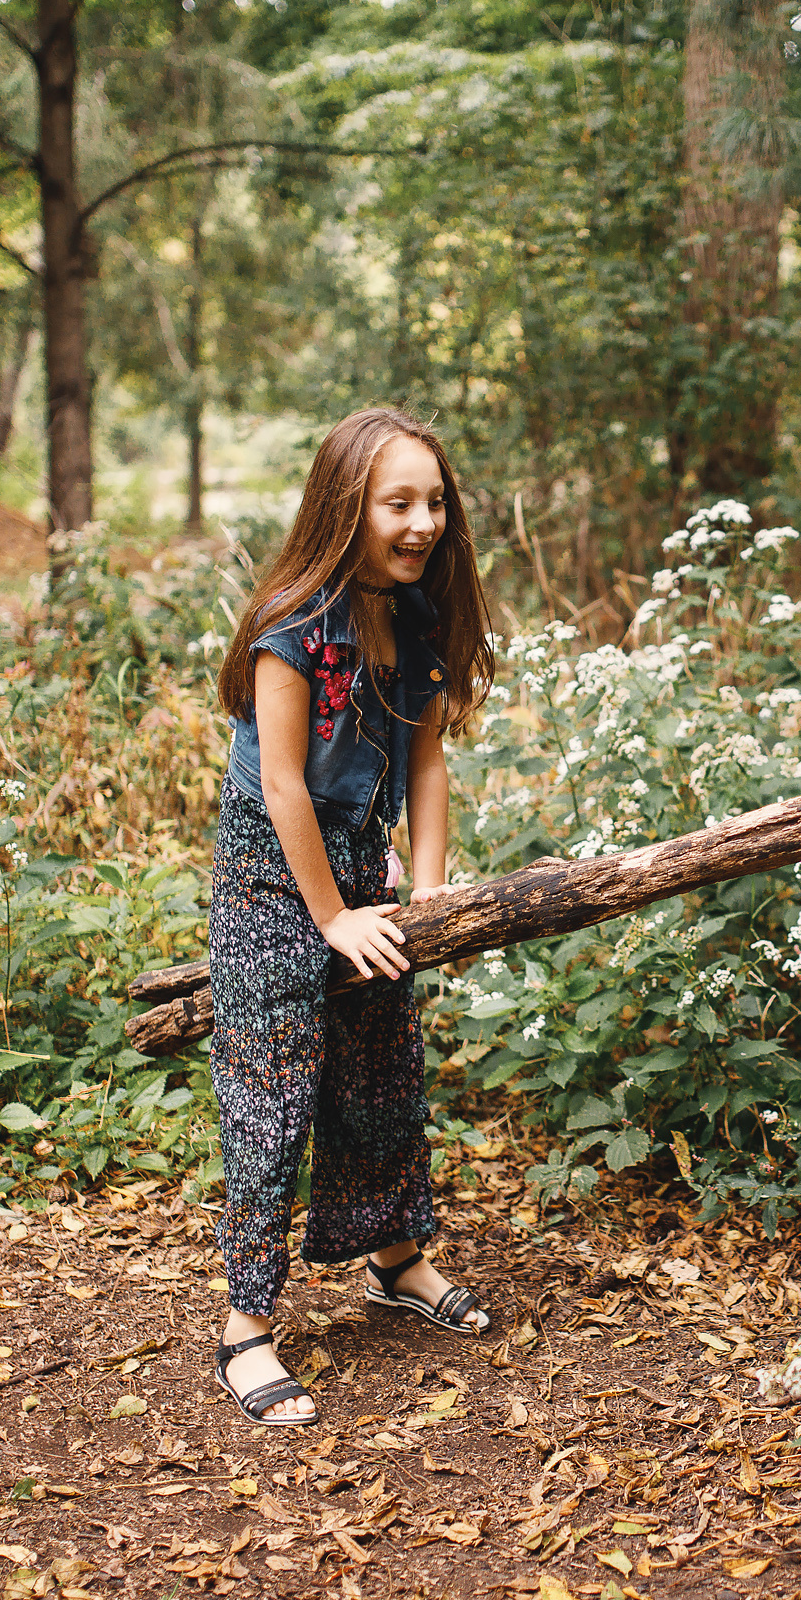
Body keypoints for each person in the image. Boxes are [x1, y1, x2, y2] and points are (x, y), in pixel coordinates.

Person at [206, 406, 498, 1427]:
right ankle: (246, 1330)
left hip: (358, 867)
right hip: (268, 876)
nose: (422, 524)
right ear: (346, 507)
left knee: (381, 1067)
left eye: (434, 502)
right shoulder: (295, 625)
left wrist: (425, 892)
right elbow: (283, 789)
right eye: (397, 504)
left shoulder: (414, 617)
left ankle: (395, 1259)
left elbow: (423, 757)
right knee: (273, 1090)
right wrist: (331, 919)